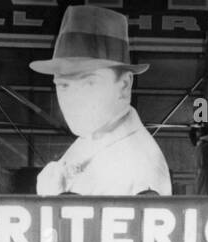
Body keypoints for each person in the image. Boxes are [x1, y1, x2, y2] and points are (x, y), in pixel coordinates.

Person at [31, 5, 171, 196]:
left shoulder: (137, 167)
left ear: (123, 86)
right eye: (64, 85)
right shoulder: (94, 135)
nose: (74, 100)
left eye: (89, 83)